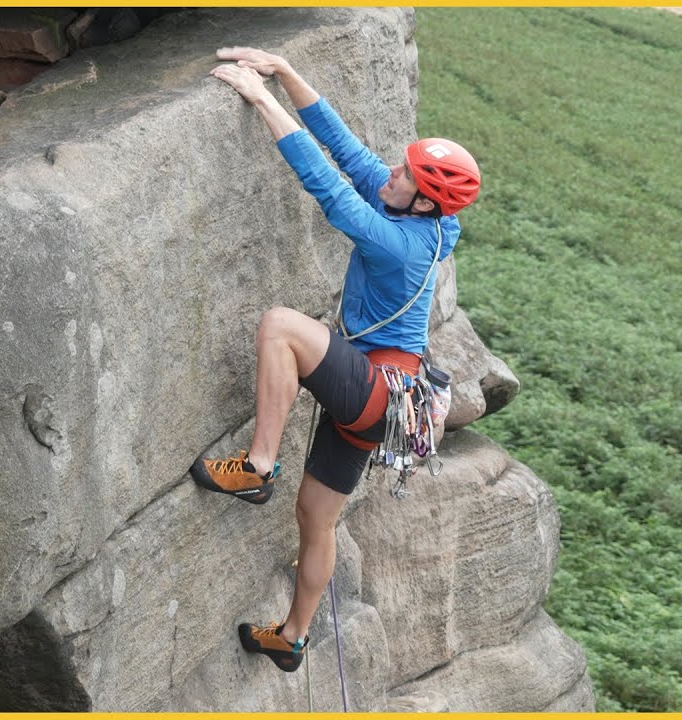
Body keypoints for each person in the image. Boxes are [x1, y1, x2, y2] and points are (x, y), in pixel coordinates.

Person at [192, 46, 480, 673]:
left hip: (378, 389)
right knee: (315, 519)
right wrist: (284, 69)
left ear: (426, 201)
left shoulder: (401, 242)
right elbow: (348, 155)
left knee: (280, 327)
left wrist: (260, 98)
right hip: (386, 406)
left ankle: (259, 466)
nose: (391, 176)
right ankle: (292, 638)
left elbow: (329, 188)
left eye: (404, 176)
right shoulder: (427, 219)